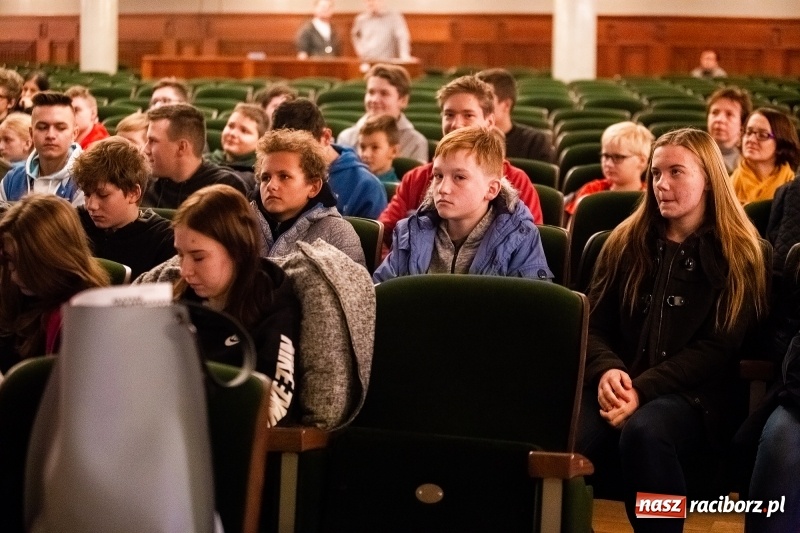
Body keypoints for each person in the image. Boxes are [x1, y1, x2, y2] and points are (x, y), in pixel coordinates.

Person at [577, 128, 767, 533]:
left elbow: (718, 348)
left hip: (696, 396)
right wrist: (607, 370)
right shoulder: (623, 242)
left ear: (708, 179)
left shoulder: (741, 252)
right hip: (619, 382)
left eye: (676, 172)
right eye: (656, 173)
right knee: (561, 435)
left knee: (646, 432)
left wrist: (642, 390)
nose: (661, 184)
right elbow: (592, 325)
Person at [172, 184, 301, 426]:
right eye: (180, 254)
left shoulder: (272, 304)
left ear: (237, 251)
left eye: (198, 257)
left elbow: (275, 405)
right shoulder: (181, 302)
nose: (184, 270)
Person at [378, 75, 543, 249]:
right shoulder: (415, 178)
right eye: (449, 115)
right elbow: (384, 234)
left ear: (489, 122)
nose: (456, 124)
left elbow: (529, 245)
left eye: (468, 115)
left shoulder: (516, 181)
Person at [374, 127, 552, 283]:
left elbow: (532, 306)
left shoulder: (520, 237)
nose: (443, 189)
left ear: (491, 189)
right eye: (438, 176)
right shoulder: (410, 232)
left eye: (459, 177)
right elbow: (383, 296)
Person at [0, 194, 109, 374]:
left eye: (24, 264)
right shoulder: (15, 288)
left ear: (52, 259)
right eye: (9, 261)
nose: (14, 275)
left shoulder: (79, 319)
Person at [253, 128, 365, 266]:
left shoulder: (337, 233)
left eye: (284, 176)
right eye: (265, 178)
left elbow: (352, 280)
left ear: (313, 187)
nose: (271, 185)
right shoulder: (242, 224)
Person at [72, 136, 175, 279]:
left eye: (103, 195)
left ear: (134, 193)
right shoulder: (74, 223)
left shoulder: (165, 241)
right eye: (87, 194)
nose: (91, 205)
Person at [271, 98, 387, 219]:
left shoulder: (367, 186)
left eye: (304, 150)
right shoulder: (271, 179)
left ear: (326, 137)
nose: (294, 160)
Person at [141, 103, 248, 209]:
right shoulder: (146, 184)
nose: (145, 150)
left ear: (181, 147)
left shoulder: (226, 188)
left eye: (153, 141)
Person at [0, 91, 84, 206]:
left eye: (60, 128)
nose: (50, 135)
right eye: (42, 127)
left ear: (74, 134)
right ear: (31, 134)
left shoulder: (86, 181)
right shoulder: (12, 179)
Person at [336, 63, 428, 162]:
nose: (374, 100)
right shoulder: (347, 138)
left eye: (384, 93)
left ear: (403, 101)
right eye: (371, 92)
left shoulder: (415, 142)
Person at [564, 121, 653, 216]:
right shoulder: (591, 191)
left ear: (642, 161)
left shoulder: (652, 197)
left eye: (618, 157)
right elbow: (572, 225)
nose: (608, 164)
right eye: (605, 156)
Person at [476, 68, 555, 163]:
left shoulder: (535, 142)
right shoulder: (467, 140)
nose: (477, 106)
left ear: (506, 105)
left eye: (485, 100)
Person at [731, 107, 800, 205]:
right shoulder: (727, 184)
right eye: (748, 132)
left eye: (762, 135)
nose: (751, 139)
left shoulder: (793, 187)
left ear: (780, 141)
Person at [206, 103, 268, 191]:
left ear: (260, 141)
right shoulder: (205, 160)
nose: (232, 134)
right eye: (230, 126)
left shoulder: (258, 175)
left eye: (244, 131)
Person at [706, 86, 752, 173]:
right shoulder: (694, 156)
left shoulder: (752, 162)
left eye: (729, 114)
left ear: (742, 125)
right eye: (715, 112)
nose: (719, 119)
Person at [357, 114, 399, 183]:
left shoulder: (397, 189)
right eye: (362, 147)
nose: (365, 154)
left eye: (375, 147)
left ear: (393, 151)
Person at [65, 85, 109, 149]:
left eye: (76, 110)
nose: (70, 116)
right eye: (67, 111)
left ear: (93, 113)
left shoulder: (100, 147)